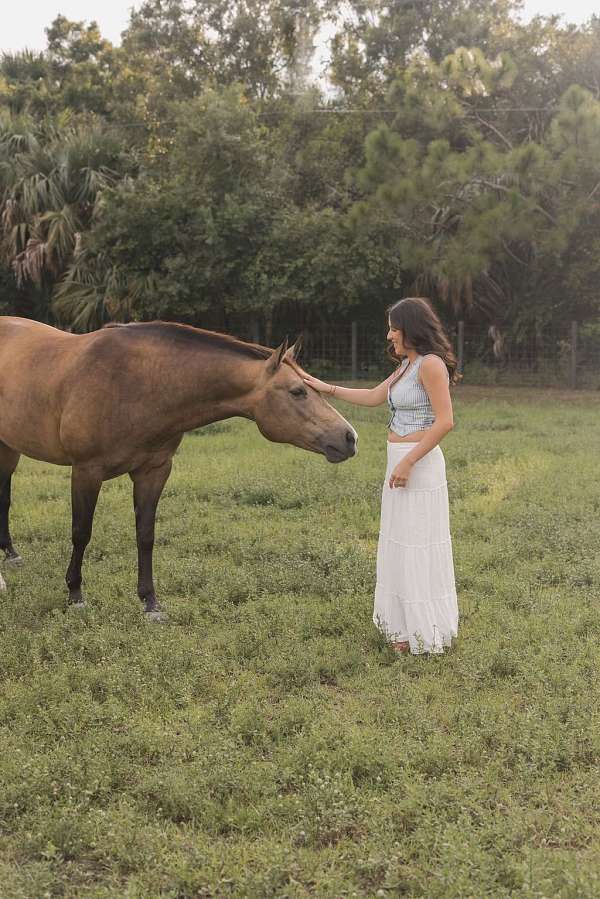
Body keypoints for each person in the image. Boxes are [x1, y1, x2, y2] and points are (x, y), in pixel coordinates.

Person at [303, 297, 459, 655]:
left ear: (410, 328)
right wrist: (322, 387)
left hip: (418, 463)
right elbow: (375, 396)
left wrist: (408, 463)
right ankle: (402, 628)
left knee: (417, 543)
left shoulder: (430, 365)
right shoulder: (407, 366)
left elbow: (446, 421)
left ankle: (422, 631)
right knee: (399, 543)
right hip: (398, 459)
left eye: (393, 327)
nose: (389, 334)